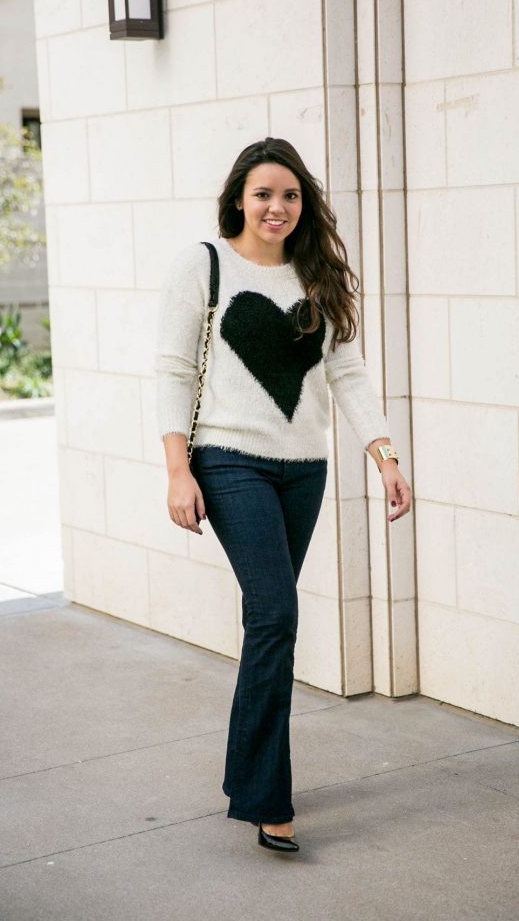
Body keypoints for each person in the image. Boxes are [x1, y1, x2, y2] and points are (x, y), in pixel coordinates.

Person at [155, 137, 412, 854]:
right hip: (229, 460)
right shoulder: (204, 264)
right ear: (239, 196)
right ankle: (269, 799)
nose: (277, 207)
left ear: (304, 205)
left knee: (267, 623)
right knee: (276, 612)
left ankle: (248, 776)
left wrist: (385, 458)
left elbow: (349, 375)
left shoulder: (316, 275)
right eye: (264, 193)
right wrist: (178, 471)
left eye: (290, 195)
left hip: (303, 470)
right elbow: (172, 371)